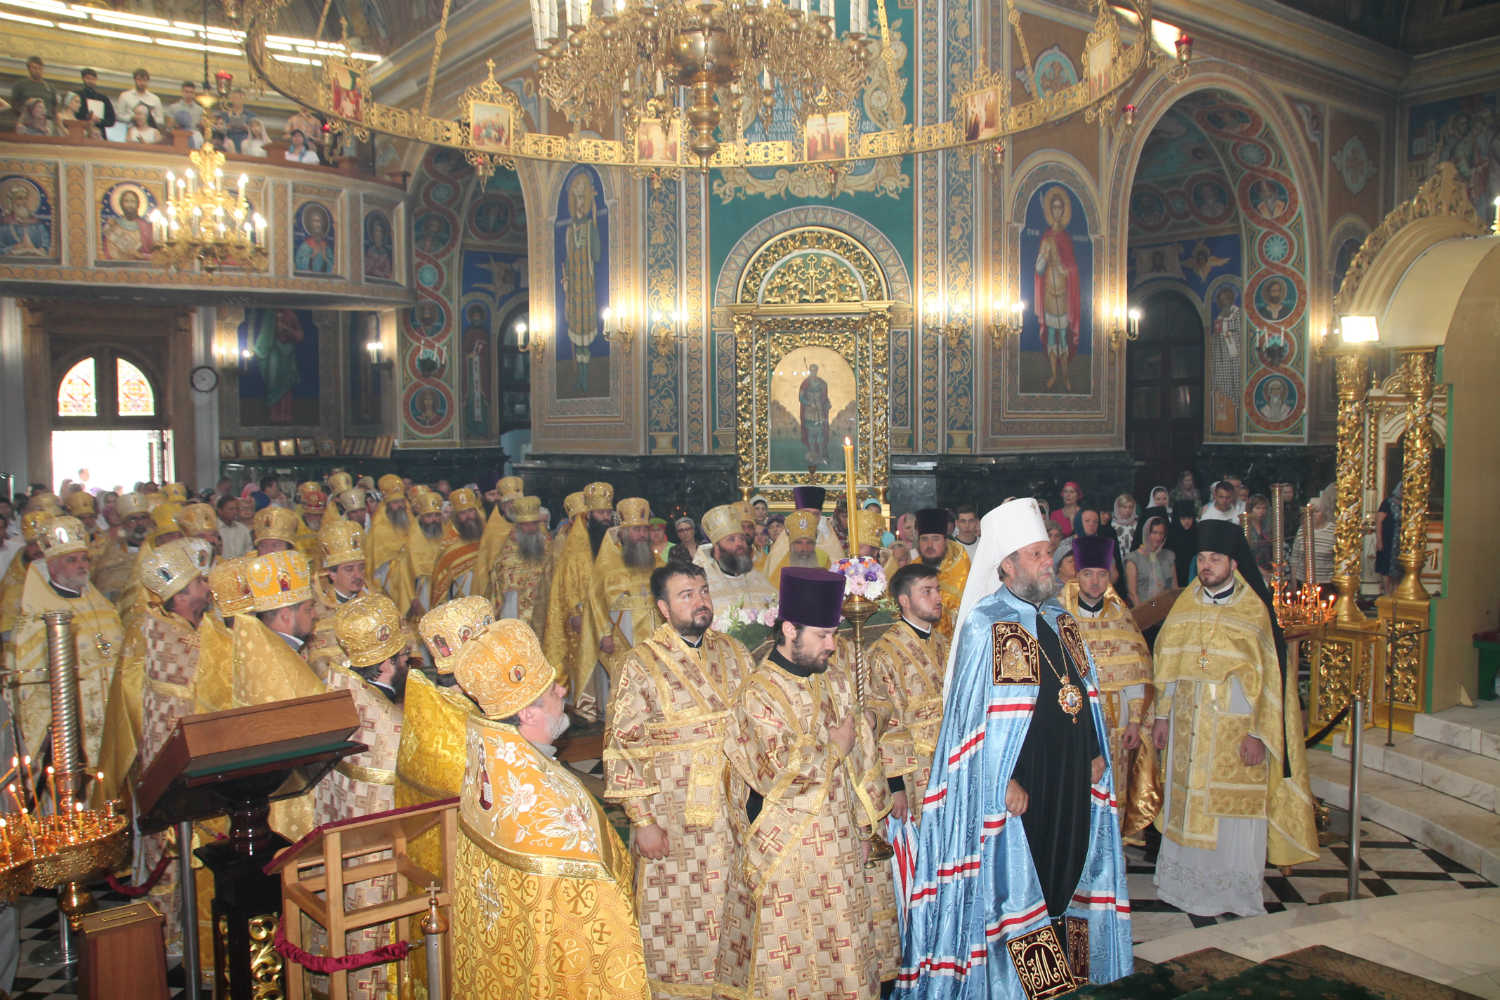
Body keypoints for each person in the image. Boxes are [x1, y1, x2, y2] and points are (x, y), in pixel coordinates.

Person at [900, 500, 1130, 994]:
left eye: (1048, 551)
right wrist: (1002, 780)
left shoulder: (1062, 618)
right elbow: (971, 722)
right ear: (1007, 565)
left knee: (1071, 867)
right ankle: (1028, 985)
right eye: (1037, 554)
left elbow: (1082, 691)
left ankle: (1072, 972)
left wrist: (1094, 750)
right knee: (1027, 881)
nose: (1050, 561)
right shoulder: (986, 622)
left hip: (1071, 773)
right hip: (1022, 782)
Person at [716, 568, 896, 998]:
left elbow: (862, 746)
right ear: (789, 630)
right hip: (789, 847)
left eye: (833, 634)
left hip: (842, 845)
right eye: (822, 636)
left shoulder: (833, 676)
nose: (832, 645)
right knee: (793, 958)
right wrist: (835, 747)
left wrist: (864, 828)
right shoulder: (759, 692)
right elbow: (774, 770)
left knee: (845, 955)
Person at [450, 619, 649, 997]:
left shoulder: (489, 765)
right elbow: (597, 908)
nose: (562, 690)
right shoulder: (546, 802)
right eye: (552, 690)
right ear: (528, 714)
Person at [1151, 519, 1318, 917]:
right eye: (1202, 558)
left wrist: (1259, 734)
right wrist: (1161, 716)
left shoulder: (1254, 612)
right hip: (1188, 731)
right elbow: (1168, 666)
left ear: (1233, 563)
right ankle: (1182, 887)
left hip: (1235, 732)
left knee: (1232, 815)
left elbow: (1271, 683)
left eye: (1215, 558)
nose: (1206, 566)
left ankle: (1232, 894)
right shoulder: (1185, 606)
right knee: (1186, 805)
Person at [604, 563, 752, 998]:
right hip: (673, 813)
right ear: (664, 608)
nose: (700, 601)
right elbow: (623, 745)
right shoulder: (640, 663)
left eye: (703, 591)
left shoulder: (733, 650)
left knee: (733, 902)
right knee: (678, 911)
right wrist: (642, 820)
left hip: (735, 805)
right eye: (686, 595)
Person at [316, 594, 407, 1000]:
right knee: (374, 930)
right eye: (402, 658)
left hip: (339, 845)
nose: (406, 664)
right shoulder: (389, 726)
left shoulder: (340, 686)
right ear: (386, 664)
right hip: (376, 856)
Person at [134, 539, 211, 951]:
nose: (207, 586)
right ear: (181, 596)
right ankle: (162, 938)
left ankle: (187, 929)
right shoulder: (166, 634)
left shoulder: (183, 627)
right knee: (168, 847)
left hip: (189, 753)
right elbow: (210, 673)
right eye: (199, 582)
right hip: (171, 761)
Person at [1060, 535, 1160, 842]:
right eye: (1088, 574)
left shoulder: (1121, 617)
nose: (1094, 581)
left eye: (1101, 574)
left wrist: (1135, 722)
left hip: (1116, 727)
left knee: (1112, 791)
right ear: (1077, 574)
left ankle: (1111, 855)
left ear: (1110, 576)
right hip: (1072, 723)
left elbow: (1136, 676)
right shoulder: (1060, 617)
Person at [12, 516, 122, 763]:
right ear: (52, 567)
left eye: (84, 559)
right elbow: (32, 681)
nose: (81, 565)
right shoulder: (39, 616)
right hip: (72, 721)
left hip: (113, 713)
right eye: (71, 560)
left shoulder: (104, 607)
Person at [234, 549, 325, 840]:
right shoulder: (275, 662)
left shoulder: (264, 649)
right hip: (285, 790)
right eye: (308, 609)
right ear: (286, 615)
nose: (315, 615)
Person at [869, 563, 948, 829]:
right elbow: (885, 722)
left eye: (937, 590)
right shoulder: (884, 653)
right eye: (927, 591)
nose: (938, 598)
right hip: (914, 770)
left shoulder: (945, 644)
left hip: (950, 760)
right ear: (904, 600)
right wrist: (895, 786)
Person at [542, 481, 613, 714]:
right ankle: (593, 710)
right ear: (589, 515)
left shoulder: (613, 540)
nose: (605, 517)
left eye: (608, 512)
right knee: (590, 665)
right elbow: (568, 583)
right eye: (600, 513)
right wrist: (575, 611)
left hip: (612, 615)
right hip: (585, 616)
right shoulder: (575, 547)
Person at [580, 498, 660, 696]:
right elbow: (596, 601)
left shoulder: (656, 561)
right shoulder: (607, 563)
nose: (642, 535)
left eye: (644, 529)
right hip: (623, 632)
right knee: (626, 683)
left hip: (654, 630)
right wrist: (604, 634)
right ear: (623, 533)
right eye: (636, 530)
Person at [693, 503, 776, 616]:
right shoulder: (702, 583)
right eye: (731, 540)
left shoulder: (758, 578)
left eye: (742, 538)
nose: (739, 544)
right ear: (717, 550)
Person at [911, 507, 970, 642]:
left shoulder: (960, 567)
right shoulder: (913, 568)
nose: (929, 545)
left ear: (945, 541)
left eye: (935, 539)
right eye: (924, 539)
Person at [492, 495, 551, 627]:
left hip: (543, 608)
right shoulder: (506, 550)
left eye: (534, 523)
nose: (531, 528)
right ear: (518, 526)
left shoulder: (547, 545)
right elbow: (500, 580)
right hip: (514, 607)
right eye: (526, 524)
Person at [429, 487, 484, 602]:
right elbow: (441, 577)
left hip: (484, 594)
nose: (468, 516)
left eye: (471, 511)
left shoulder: (485, 536)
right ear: (456, 517)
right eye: (463, 513)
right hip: (460, 597)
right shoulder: (449, 543)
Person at [1125, 515, 1176, 606]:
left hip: (1166, 607)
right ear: (1146, 533)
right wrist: (1143, 613)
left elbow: (1174, 587)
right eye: (1154, 533)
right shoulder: (1133, 559)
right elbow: (1132, 593)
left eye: (1161, 533)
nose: (1158, 537)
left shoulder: (1169, 556)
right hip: (1143, 608)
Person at [798, 361, 833, 465]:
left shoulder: (822, 383)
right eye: (811, 370)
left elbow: (825, 397)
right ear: (809, 371)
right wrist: (808, 403)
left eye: (815, 370)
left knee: (821, 434)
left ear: (817, 371)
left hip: (820, 411)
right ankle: (813, 455)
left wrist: (827, 404)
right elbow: (801, 398)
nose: (813, 372)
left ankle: (822, 455)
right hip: (809, 412)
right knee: (811, 435)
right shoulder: (805, 383)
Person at [9, 56, 55, 122]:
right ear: (29, 69)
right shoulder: (20, 85)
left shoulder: (50, 87)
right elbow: (14, 105)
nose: (37, 71)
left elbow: (54, 108)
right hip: (27, 121)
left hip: (46, 122)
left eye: (40, 68)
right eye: (34, 68)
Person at [1375, 481, 1402, 593]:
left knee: (1399, 569)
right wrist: (1379, 540)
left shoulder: (1407, 504)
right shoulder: (1387, 503)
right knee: (1386, 567)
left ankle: (1396, 592)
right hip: (1387, 540)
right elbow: (1379, 521)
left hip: (1400, 542)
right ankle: (1387, 592)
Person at [74, 68, 115, 137]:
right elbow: (72, 115)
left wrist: (99, 121)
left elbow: (111, 120)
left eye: (93, 79)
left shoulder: (103, 98)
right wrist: (86, 117)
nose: (90, 81)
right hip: (80, 131)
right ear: (83, 79)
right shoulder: (77, 95)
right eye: (88, 78)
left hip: (99, 133)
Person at [1166, 499, 1198, 586]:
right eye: (1183, 518)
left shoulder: (1197, 533)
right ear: (1177, 518)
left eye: (1190, 518)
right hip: (1175, 578)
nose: (1187, 521)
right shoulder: (1170, 536)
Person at [163, 81, 203, 146]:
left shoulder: (199, 110)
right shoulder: (173, 107)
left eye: (191, 92)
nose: (189, 94)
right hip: (177, 137)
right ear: (182, 92)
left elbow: (201, 127)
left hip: (194, 138)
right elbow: (168, 126)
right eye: (186, 92)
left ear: (194, 94)